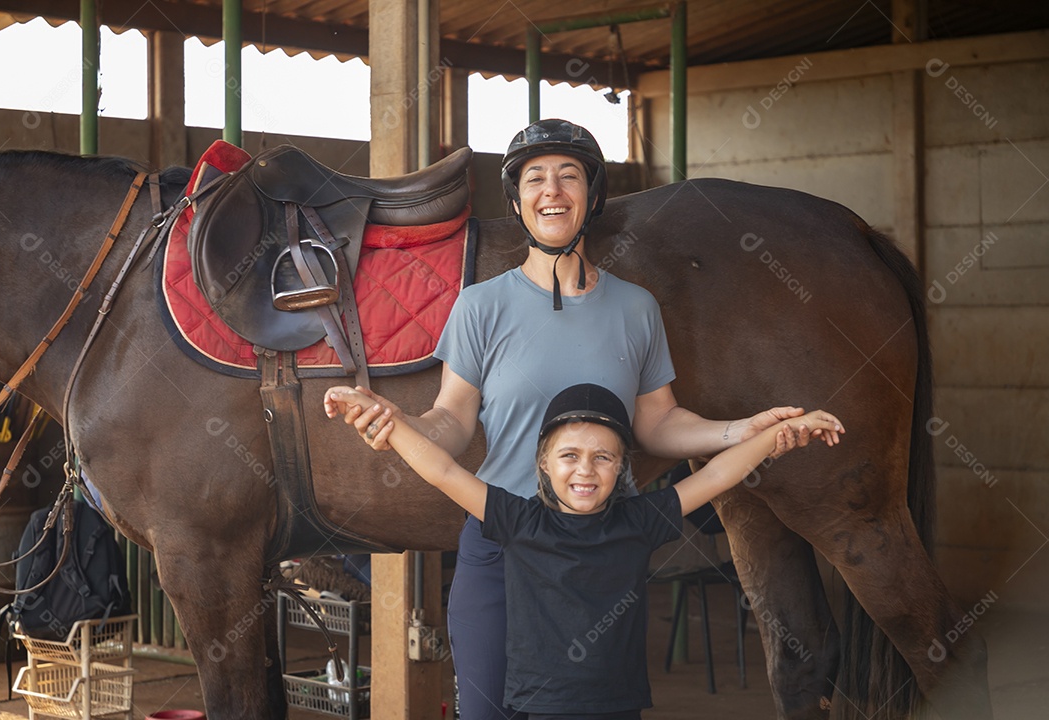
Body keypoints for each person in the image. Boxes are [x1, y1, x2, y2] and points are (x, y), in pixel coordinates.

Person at [323, 118, 842, 719]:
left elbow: (658, 425)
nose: (552, 190)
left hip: (601, 555)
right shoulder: (480, 306)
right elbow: (453, 422)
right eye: (535, 178)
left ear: (591, 196)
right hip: (502, 542)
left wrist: (737, 432)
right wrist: (401, 424)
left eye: (569, 176)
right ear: (517, 201)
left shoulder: (635, 308)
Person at [325, 383, 844, 719]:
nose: (586, 469)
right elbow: (442, 470)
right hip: (538, 703)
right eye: (569, 455)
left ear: (621, 469)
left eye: (603, 457)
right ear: (544, 466)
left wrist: (777, 436)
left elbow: (718, 472)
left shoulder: (639, 521)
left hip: (617, 704)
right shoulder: (517, 519)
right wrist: (384, 421)